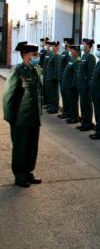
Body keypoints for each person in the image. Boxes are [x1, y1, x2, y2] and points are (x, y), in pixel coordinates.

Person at [3, 41, 43, 188]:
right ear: (25, 55)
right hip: (20, 118)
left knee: (32, 147)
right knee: (20, 148)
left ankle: (28, 172)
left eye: (37, 54)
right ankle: (19, 176)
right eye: (34, 55)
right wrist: (10, 118)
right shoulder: (17, 70)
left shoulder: (37, 69)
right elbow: (8, 96)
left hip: (34, 117)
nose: (37, 57)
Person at [76, 38, 96, 131]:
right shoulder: (84, 55)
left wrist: (89, 86)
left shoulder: (90, 56)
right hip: (81, 84)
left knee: (87, 105)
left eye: (83, 44)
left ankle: (88, 123)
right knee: (83, 104)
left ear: (88, 45)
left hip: (86, 86)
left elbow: (91, 73)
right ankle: (84, 122)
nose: (81, 45)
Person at [62, 43, 81, 124]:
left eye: (72, 50)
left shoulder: (77, 60)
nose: (70, 51)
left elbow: (76, 74)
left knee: (73, 102)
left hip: (71, 86)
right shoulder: (72, 59)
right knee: (69, 101)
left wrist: (73, 85)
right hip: (67, 84)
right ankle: (70, 115)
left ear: (76, 51)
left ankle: (74, 117)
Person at [57, 38, 73, 119]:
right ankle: (65, 112)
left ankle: (67, 113)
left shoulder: (69, 53)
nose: (63, 44)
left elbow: (69, 66)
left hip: (66, 78)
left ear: (69, 44)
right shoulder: (64, 52)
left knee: (67, 97)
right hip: (62, 77)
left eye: (65, 42)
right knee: (64, 96)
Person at [44, 41, 61, 114]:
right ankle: (51, 106)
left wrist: (55, 78)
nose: (52, 47)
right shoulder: (52, 55)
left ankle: (54, 108)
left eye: (53, 46)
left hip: (53, 78)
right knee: (50, 93)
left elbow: (57, 68)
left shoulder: (57, 56)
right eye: (52, 46)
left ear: (57, 47)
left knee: (54, 94)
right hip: (49, 77)